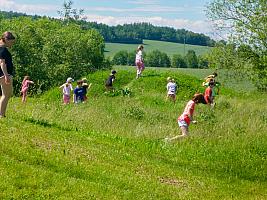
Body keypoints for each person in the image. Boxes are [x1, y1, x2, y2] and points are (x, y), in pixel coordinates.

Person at [0, 31, 16, 118]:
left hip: (3, 74)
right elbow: (2, 63)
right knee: (6, 95)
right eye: (12, 42)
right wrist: (6, 75)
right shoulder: (3, 50)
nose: (12, 44)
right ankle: (1, 115)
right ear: (6, 39)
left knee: (6, 94)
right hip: (4, 74)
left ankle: (1, 114)